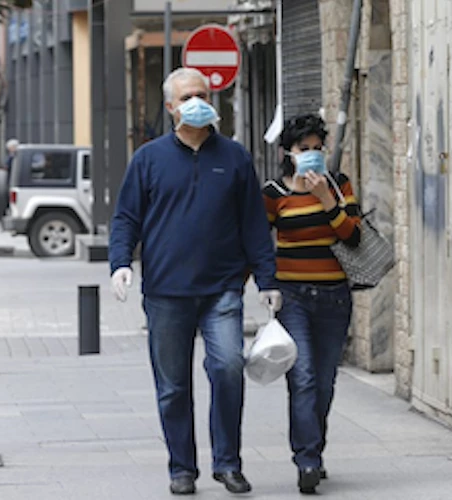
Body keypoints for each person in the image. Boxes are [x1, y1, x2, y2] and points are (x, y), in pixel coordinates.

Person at [108, 67, 282, 496]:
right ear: (170, 107)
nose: (197, 102)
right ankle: (181, 468)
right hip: (166, 292)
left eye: (202, 94)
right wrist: (119, 263)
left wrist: (267, 279)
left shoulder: (236, 157)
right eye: (187, 97)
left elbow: (254, 225)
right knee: (173, 387)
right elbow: (126, 216)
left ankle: (228, 463)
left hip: (222, 288)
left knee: (227, 368)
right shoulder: (148, 159)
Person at [262, 113, 362, 494]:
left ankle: (314, 449)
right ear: (289, 152)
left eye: (319, 148)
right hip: (293, 299)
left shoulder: (338, 185)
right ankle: (307, 460)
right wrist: (264, 285)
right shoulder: (274, 192)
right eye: (305, 149)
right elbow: (261, 240)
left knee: (323, 383)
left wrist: (325, 199)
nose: (313, 156)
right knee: (302, 379)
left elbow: (352, 236)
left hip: (335, 297)